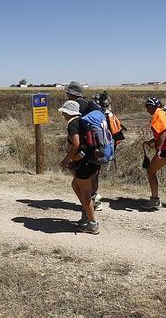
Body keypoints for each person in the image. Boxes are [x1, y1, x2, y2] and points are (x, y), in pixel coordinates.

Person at [58, 100, 100, 234]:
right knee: (76, 186)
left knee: (85, 194)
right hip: (92, 159)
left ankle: (92, 224)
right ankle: (87, 216)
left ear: (67, 112)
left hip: (84, 163)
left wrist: (66, 159)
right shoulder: (83, 121)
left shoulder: (72, 124)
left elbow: (75, 144)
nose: (62, 114)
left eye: (64, 111)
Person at [65, 81, 104, 211]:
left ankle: (89, 210)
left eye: (67, 93)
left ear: (71, 93)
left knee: (80, 182)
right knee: (93, 175)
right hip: (96, 147)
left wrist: (68, 158)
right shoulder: (90, 104)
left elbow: (77, 139)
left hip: (83, 151)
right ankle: (94, 199)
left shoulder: (77, 106)